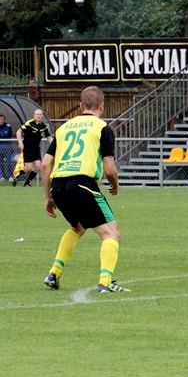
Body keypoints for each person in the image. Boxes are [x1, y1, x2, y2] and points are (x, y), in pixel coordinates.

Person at [41, 86, 127, 293]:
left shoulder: (63, 129)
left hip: (59, 186)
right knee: (111, 234)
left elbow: (45, 164)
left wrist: (48, 196)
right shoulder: (101, 128)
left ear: (80, 106)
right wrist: (114, 184)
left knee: (78, 227)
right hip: (83, 184)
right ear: (102, 106)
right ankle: (105, 282)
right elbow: (109, 168)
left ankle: (54, 273)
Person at [15, 109, 52, 187]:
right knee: (28, 168)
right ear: (34, 115)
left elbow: (48, 137)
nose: (38, 116)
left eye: (40, 114)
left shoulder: (43, 126)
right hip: (27, 148)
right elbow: (18, 132)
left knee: (38, 166)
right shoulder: (29, 123)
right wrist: (20, 142)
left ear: (42, 116)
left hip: (36, 149)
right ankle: (15, 176)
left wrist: (54, 145)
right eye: (37, 114)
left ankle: (27, 183)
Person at [0, 114, 14, 183]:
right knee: (1, 162)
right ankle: (3, 176)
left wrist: (1, 135)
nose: (1, 120)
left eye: (2, 119)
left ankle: (10, 176)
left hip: (7, 147)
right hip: (0, 147)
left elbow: (6, 134)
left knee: (8, 162)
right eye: (0, 119)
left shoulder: (8, 126)